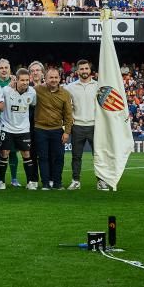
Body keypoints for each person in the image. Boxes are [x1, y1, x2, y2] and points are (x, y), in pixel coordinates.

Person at [34, 68, 74, 190]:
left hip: (57, 130)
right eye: (51, 77)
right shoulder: (36, 90)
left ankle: (57, 183)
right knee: (43, 157)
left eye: (56, 77)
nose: (54, 80)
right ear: (45, 78)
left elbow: (68, 115)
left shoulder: (65, 93)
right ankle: (45, 183)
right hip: (40, 129)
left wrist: (67, 132)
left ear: (59, 78)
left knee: (59, 157)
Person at [0, 68, 38, 190]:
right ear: (16, 80)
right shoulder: (6, 90)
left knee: (26, 154)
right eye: (22, 80)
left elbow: (33, 104)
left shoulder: (32, 92)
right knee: (4, 153)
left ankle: (30, 182)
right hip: (7, 127)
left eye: (27, 80)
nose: (25, 83)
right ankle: (1, 181)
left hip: (23, 129)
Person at [65, 60, 98, 190]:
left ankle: (101, 181)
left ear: (90, 70)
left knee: (98, 156)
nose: (84, 71)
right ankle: (76, 181)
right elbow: (66, 106)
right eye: (81, 69)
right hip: (77, 125)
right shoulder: (70, 87)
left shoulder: (98, 85)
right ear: (77, 71)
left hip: (95, 126)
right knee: (76, 156)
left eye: (86, 69)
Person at [0, 58, 18, 186]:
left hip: (12, 123)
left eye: (6, 68)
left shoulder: (16, 82)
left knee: (12, 151)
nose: (3, 70)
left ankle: (14, 178)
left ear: (10, 69)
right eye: (1, 68)